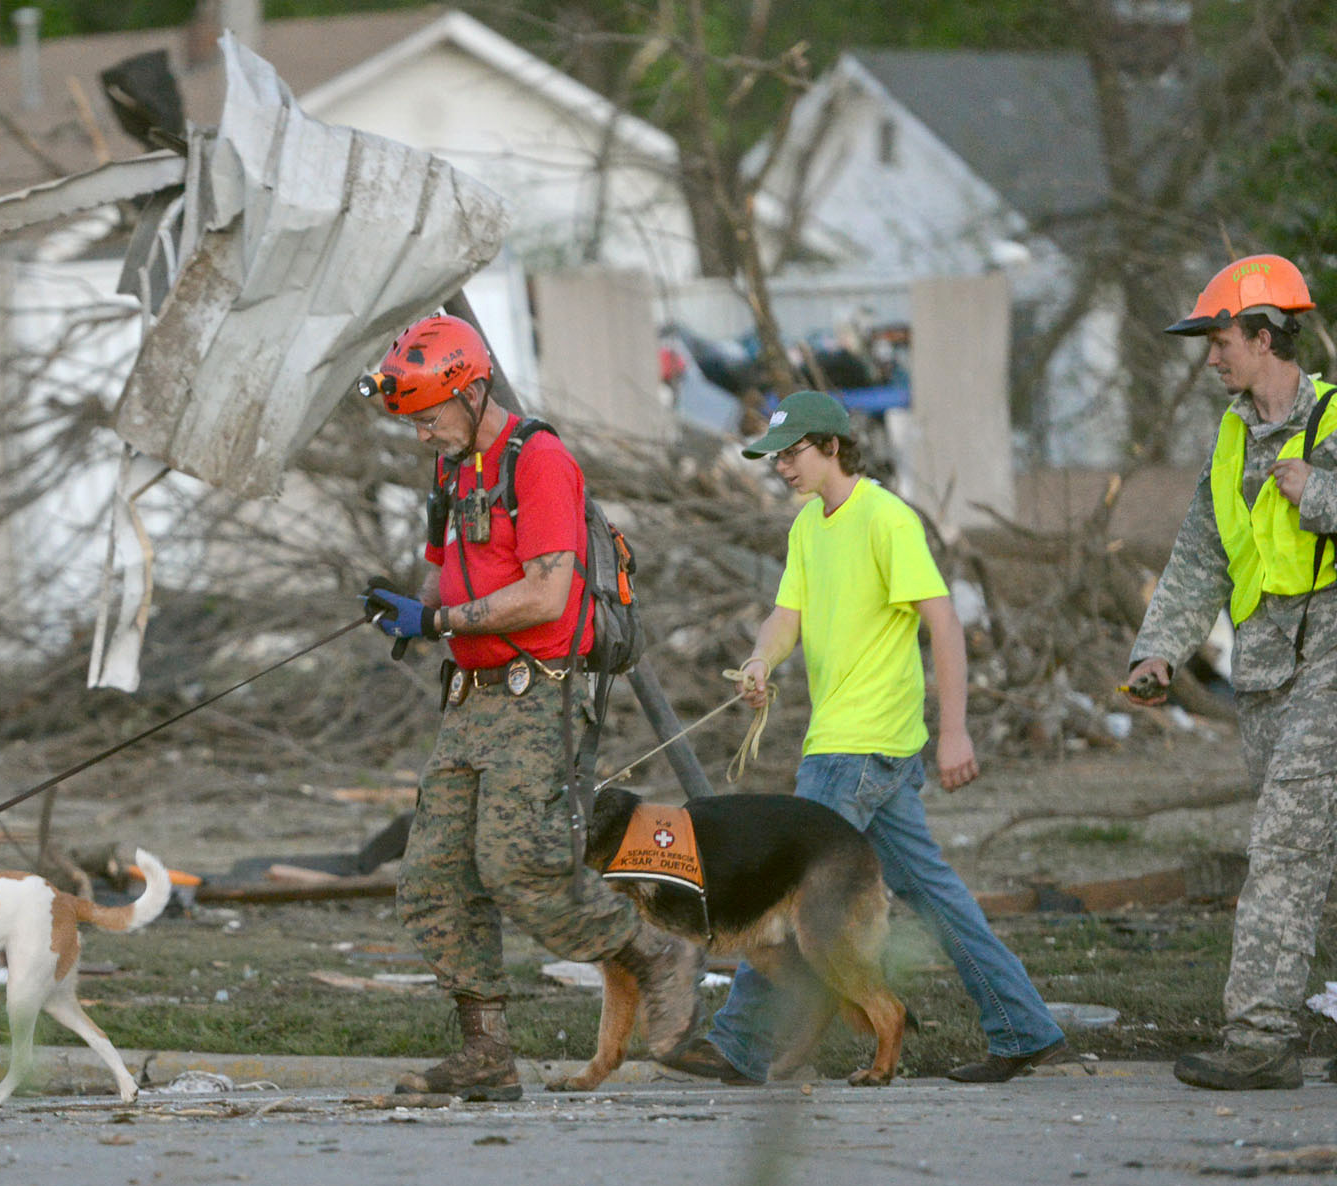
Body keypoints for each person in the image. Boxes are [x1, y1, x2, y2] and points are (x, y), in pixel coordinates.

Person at [671, 390, 1069, 1085]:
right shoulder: (807, 528)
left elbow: (942, 622)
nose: (783, 469)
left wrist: (954, 733)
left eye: (793, 454)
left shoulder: (886, 519)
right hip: (856, 752)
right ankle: (1023, 1026)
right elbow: (784, 616)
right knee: (931, 892)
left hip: (858, 749)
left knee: (782, 887)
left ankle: (736, 1045)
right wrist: (763, 659)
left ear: (831, 447)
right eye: (776, 458)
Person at [357, 314, 700, 1100]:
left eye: (431, 416)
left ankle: (656, 953)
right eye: (412, 420)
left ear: (473, 391)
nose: (422, 434)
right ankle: (487, 1054)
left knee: (520, 868)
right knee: (433, 879)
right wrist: (405, 609)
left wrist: (439, 622)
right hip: (469, 701)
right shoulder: (453, 470)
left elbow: (547, 594)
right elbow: (444, 572)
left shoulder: (540, 462)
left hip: (535, 694)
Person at [1127, 253, 1334, 1092]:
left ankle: (1259, 1036)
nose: (1212, 357)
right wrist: (1160, 649)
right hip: (1264, 676)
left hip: (1331, 661)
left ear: (1265, 335)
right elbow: (1198, 556)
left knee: (1284, 845)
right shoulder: (1229, 438)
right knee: (1317, 851)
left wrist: (1316, 494)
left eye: (1221, 340)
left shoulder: (1333, 420)